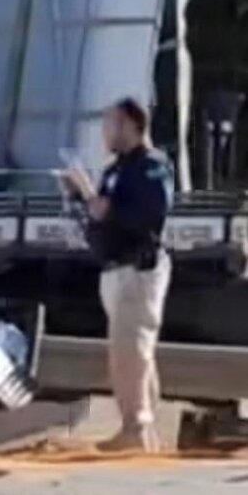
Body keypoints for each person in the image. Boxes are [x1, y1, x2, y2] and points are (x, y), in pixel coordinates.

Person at [62, 97, 174, 453]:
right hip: (115, 268)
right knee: (133, 351)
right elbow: (98, 215)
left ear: (131, 125)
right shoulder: (116, 170)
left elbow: (150, 212)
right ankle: (143, 427)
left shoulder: (150, 166)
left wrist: (100, 203)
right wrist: (80, 197)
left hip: (137, 268)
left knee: (130, 351)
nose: (105, 133)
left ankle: (135, 428)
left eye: (110, 124)